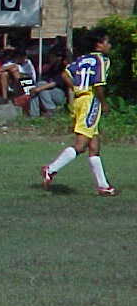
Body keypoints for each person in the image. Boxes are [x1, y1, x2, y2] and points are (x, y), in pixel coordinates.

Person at [41, 29, 117, 196]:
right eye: (107, 42)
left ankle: (103, 186)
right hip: (90, 100)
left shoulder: (82, 59)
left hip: (79, 100)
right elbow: (98, 84)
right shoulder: (102, 60)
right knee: (81, 145)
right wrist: (103, 103)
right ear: (99, 44)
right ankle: (51, 169)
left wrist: (76, 88)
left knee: (94, 146)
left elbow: (65, 74)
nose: (109, 46)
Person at [28, 49, 68, 117]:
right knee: (37, 90)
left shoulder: (63, 68)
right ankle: (34, 115)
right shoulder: (52, 67)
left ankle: (51, 109)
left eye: (52, 56)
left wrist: (38, 89)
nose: (50, 58)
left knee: (41, 87)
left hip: (61, 94)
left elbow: (54, 83)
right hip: (49, 93)